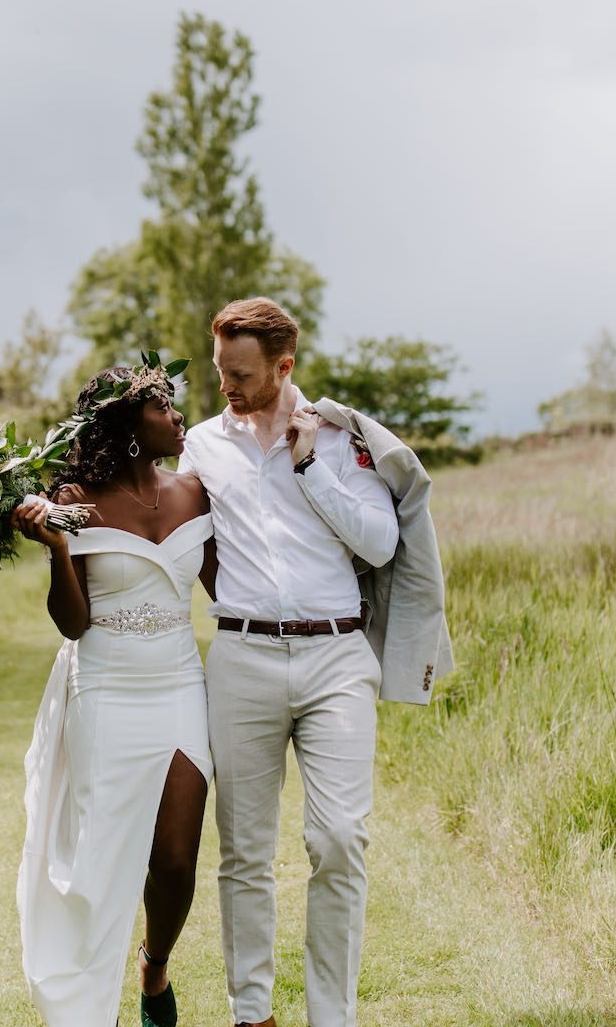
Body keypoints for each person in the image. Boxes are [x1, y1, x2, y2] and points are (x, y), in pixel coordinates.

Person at [180, 296, 446, 1027]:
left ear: (284, 366)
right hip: (242, 657)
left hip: (335, 657)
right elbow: (187, 536)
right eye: (220, 372)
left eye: (240, 374)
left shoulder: (340, 439)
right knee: (245, 851)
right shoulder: (201, 443)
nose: (227, 386)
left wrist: (307, 467)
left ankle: (334, 1015)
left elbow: (381, 542)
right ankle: (252, 1013)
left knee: (337, 840)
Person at [14, 357, 217, 1027]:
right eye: (164, 406)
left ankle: (154, 968)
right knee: (103, 865)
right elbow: (73, 623)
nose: (178, 414)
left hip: (180, 682)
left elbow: (227, 590)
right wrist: (56, 550)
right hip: (105, 685)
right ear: (131, 426)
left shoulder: (195, 493)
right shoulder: (74, 500)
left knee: (177, 860)